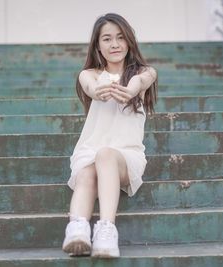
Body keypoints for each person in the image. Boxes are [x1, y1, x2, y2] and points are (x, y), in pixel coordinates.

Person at [62, 13, 158, 258]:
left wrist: (130, 89)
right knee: (86, 171)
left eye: (120, 37)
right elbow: (90, 86)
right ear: (97, 46)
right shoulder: (91, 74)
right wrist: (98, 91)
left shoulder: (144, 73)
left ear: (129, 41)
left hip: (126, 157)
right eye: (107, 39)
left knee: (105, 155)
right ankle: (78, 230)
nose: (115, 44)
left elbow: (141, 80)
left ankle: (106, 229)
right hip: (91, 150)